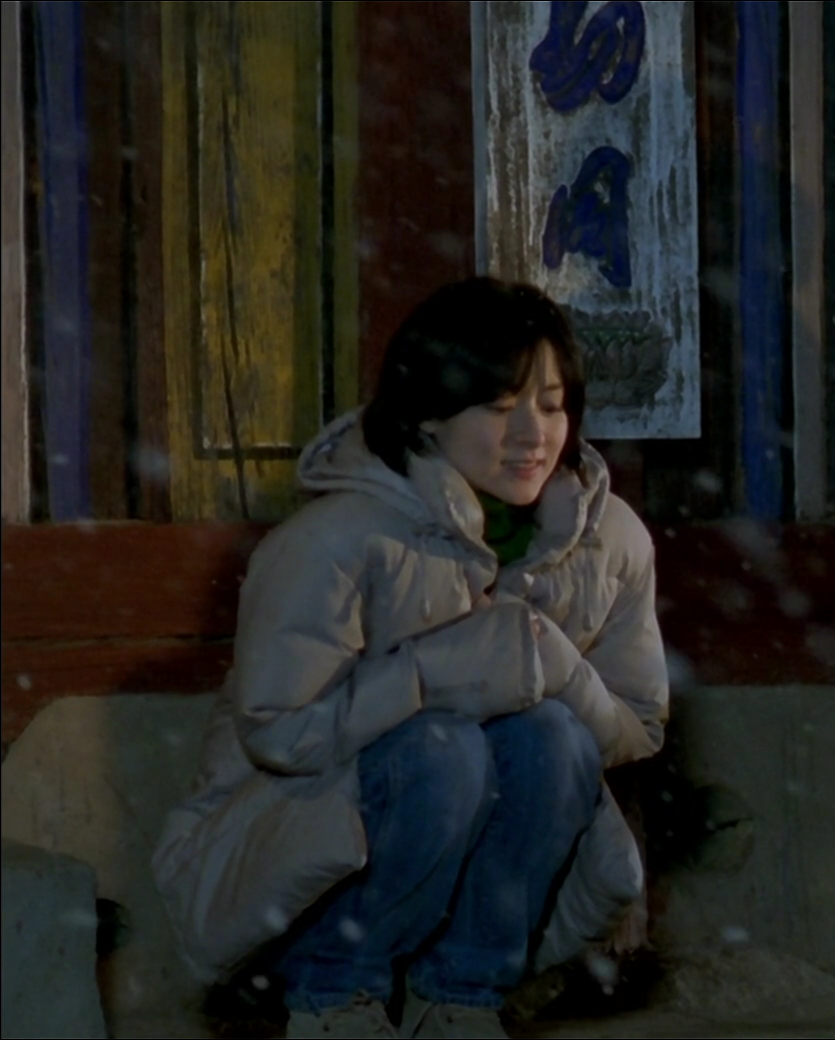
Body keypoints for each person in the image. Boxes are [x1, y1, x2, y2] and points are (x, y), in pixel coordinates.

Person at [152, 278, 670, 1039]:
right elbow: (282, 736)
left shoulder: (607, 540)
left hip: (470, 887)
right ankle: (335, 998)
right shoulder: (339, 539)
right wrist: (427, 678)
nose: (533, 433)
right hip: (297, 858)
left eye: (553, 405)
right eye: (499, 407)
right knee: (441, 752)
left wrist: (551, 664)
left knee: (554, 738)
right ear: (428, 415)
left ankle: (460, 997)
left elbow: (637, 725)